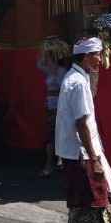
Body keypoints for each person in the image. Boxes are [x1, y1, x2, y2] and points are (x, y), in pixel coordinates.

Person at [56, 37, 111, 223]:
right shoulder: (78, 82)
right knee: (83, 204)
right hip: (80, 153)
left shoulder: (75, 78)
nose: (100, 59)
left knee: (86, 201)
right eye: (97, 55)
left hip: (77, 150)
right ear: (87, 56)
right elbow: (81, 123)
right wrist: (93, 158)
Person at [35, 36, 70, 176]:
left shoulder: (61, 71)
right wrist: (47, 48)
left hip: (58, 106)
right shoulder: (51, 71)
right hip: (51, 105)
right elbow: (39, 63)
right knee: (51, 134)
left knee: (53, 134)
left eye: (49, 57)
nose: (47, 60)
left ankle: (52, 163)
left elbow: (64, 87)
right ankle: (53, 162)